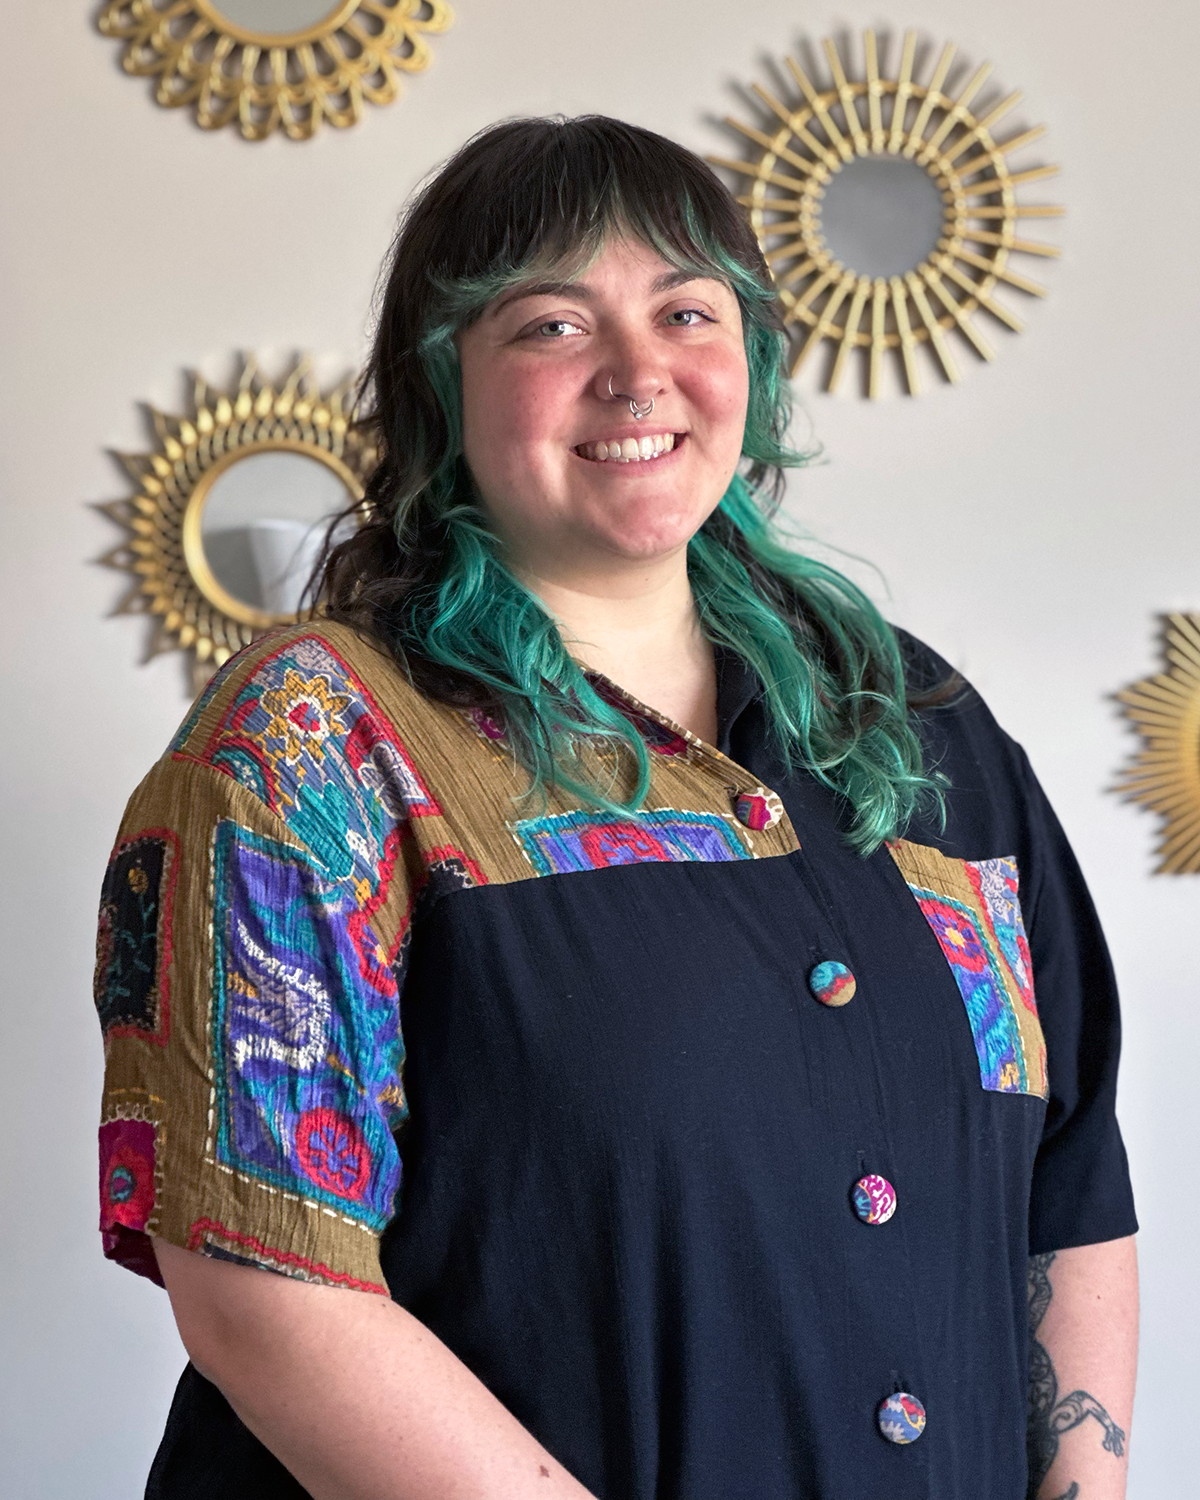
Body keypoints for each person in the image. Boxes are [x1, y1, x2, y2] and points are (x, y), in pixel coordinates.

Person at [92, 116, 1138, 1500]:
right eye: (550, 325)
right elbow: (262, 1291)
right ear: (437, 386)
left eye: (688, 311)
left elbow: (1066, 1187)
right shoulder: (310, 747)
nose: (639, 373)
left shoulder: (917, 725)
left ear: (751, 365)